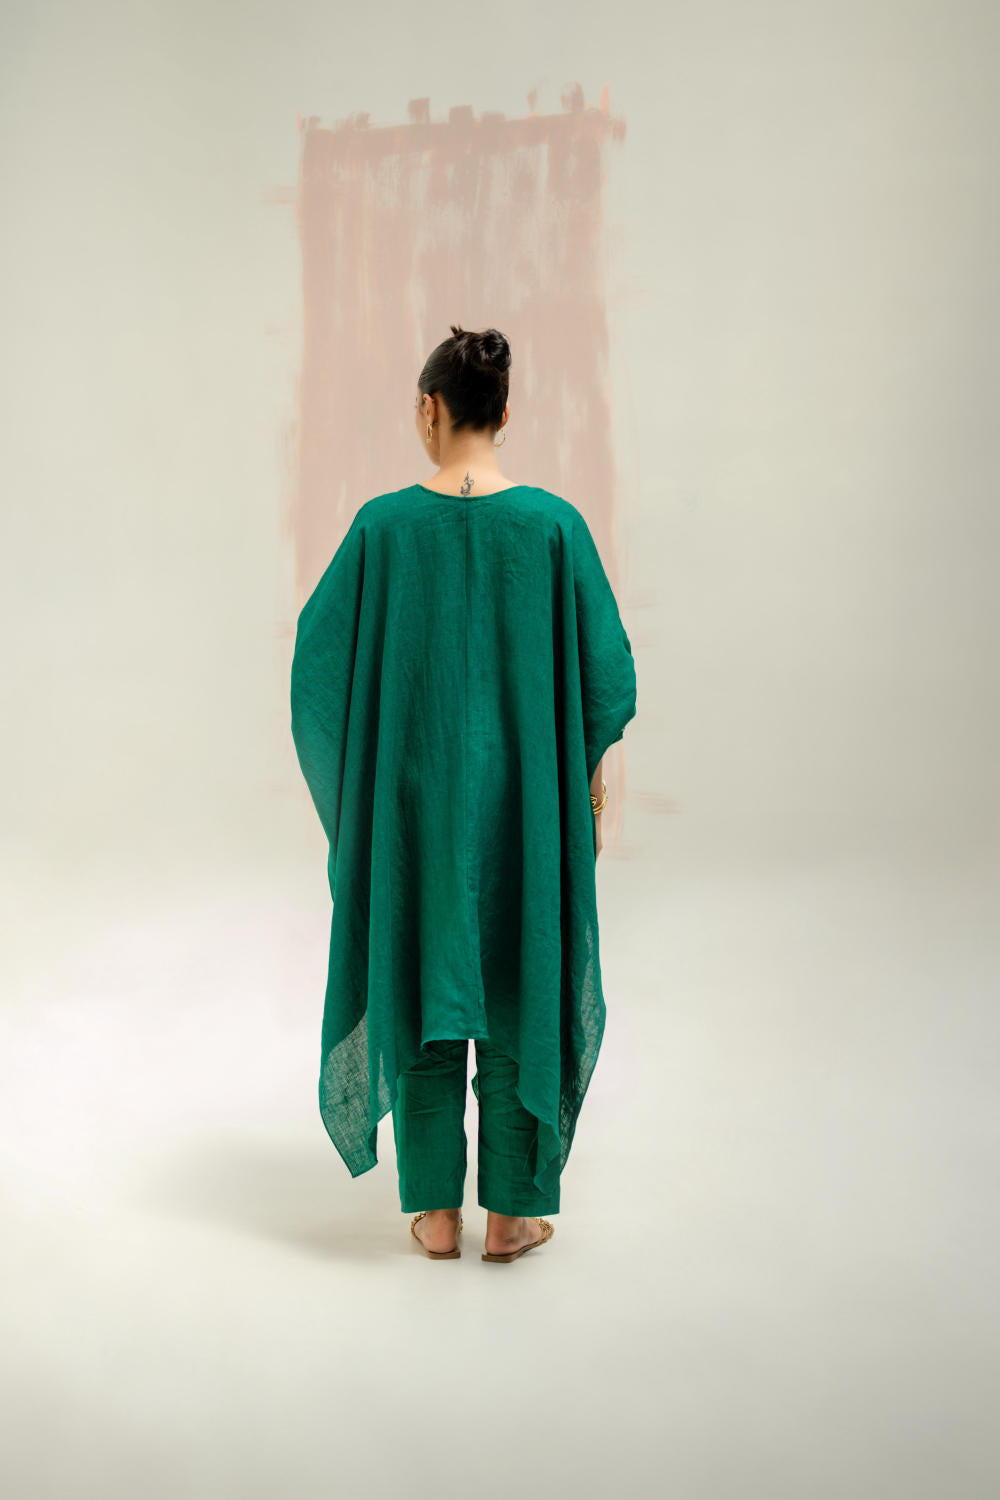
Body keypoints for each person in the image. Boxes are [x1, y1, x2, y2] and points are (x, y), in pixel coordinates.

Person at [290, 324, 637, 1263]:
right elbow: (604, 681)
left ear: (429, 409)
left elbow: (317, 672)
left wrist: (359, 808)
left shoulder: (383, 529)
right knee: (521, 975)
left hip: (413, 811)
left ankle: (435, 1212)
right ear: (504, 413)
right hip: (526, 810)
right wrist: (586, 794)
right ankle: (514, 1213)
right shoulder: (555, 528)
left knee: (422, 972)